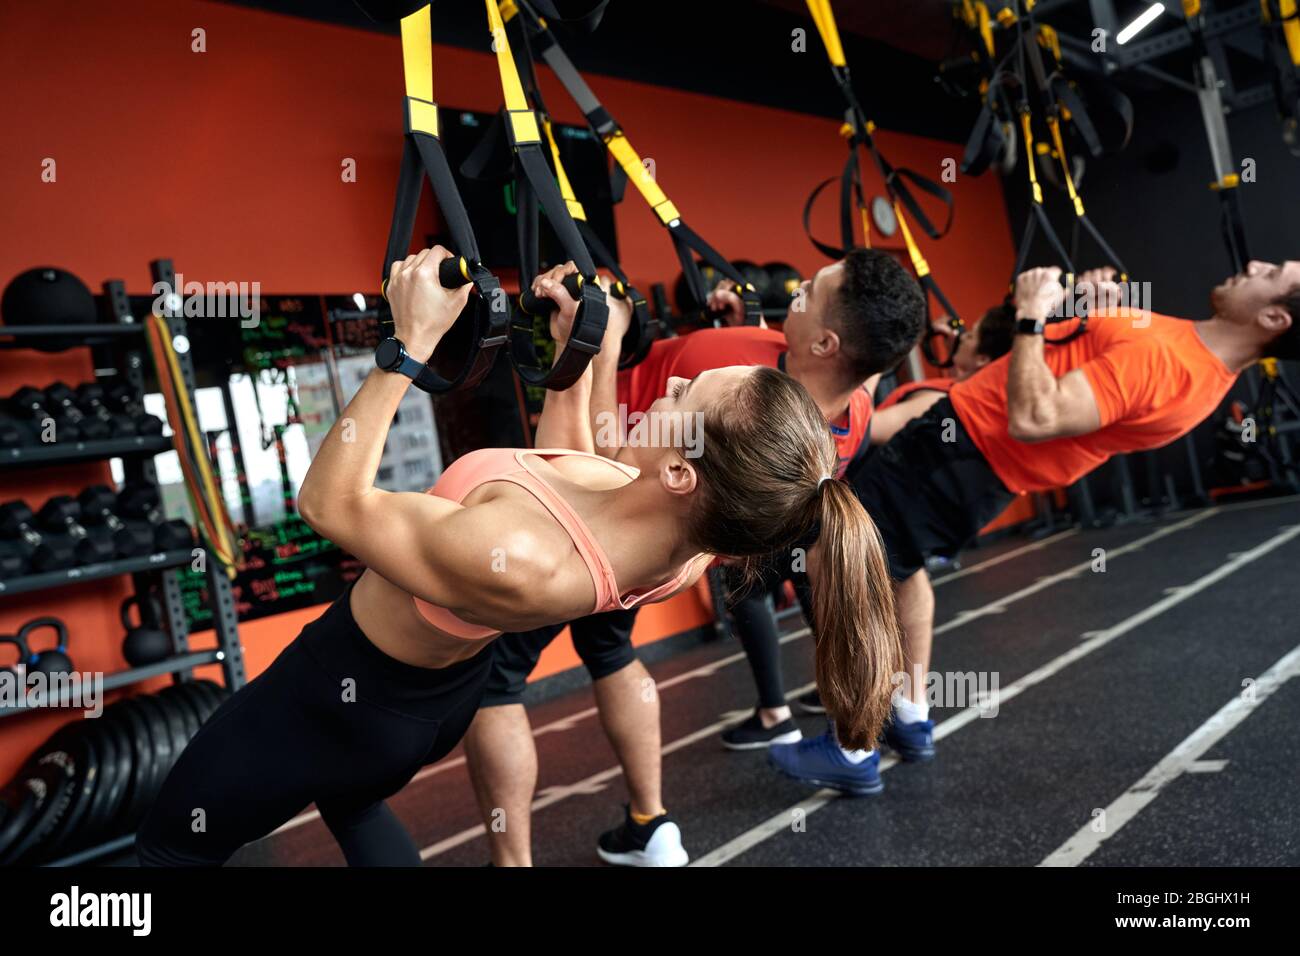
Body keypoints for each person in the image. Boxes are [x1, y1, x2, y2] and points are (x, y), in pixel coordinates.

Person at [134, 247, 905, 867]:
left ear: (681, 472)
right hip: (434, 703)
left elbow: (329, 503)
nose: (664, 393)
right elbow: (562, 471)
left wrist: (408, 345)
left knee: (170, 847)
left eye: (681, 398)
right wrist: (577, 351)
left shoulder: (520, 557)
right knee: (354, 800)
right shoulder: (686, 531)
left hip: (342, 695)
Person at [462, 249, 927, 866]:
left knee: (493, 680)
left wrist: (603, 342)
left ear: (825, 344)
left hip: (603, 535)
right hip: (658, 563)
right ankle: (649, 821)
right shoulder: (831, 414)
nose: (791, 293)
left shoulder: (728, 383)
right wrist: (741, 326)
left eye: (807, 293)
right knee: (610, 651)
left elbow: (602, 468)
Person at [770, 260, 1300, 796]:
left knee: (833, 564)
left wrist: (1029, 314)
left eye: (1273, 272)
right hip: (961, 451)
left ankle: (853, 747)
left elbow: (1035, 416)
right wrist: (1086, 309)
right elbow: (1074, 365)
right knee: (899, 573)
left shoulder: (1173, 364)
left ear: (1274, 317)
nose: (1255, 265)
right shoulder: (1185, 348)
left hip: (961, 458)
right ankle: (909, 714)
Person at [724, 302, 1018, 751]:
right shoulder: (957, 392)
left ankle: (804, 718)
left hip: (851, 507)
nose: (961, 335)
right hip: (867, 507)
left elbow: (863, 426)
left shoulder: (942, 400)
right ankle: (868, 702)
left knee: (754, 580)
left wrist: (857, 372)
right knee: (834, 581)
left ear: (981, 360)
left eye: (971, 335)